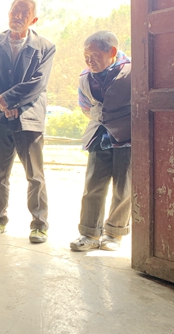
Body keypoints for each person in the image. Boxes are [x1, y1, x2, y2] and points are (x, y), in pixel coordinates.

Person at [0, 0, 56, 243]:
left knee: (34, 175)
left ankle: (39, 225)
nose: (18, 16)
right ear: (8, 13)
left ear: (33, 19)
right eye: (15, 10)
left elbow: (38, 82)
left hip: (29, 116)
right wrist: (3, 103)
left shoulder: (45, 47)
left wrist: (11, 102)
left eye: (24, 13)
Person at [70, 31, 131, 252]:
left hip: (127, 137)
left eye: (94, 55)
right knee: (93, 185)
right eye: (86, 56)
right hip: (99, 136)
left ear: (112, 52)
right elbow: (86, 106)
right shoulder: (85, 77)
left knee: (124, 187)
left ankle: (114, 233)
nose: (89, 61)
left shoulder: (132, 71)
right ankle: (89, 234)